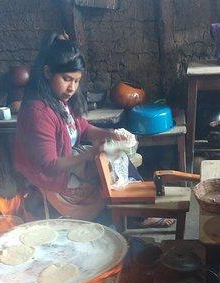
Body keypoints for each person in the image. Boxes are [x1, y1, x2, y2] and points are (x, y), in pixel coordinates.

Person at [13, 33, 173, 226]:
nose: (72, 87)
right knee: (104, 180)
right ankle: (128, 218)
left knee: (118, 158)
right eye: (66, 79)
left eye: (77, 81)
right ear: (47, 73)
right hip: (48, 175)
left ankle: (140, 212)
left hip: (67, 158)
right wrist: (90, 154)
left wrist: (111, 134)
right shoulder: (37, 112)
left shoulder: (61, 99)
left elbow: (82, 128)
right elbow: (48, 165)